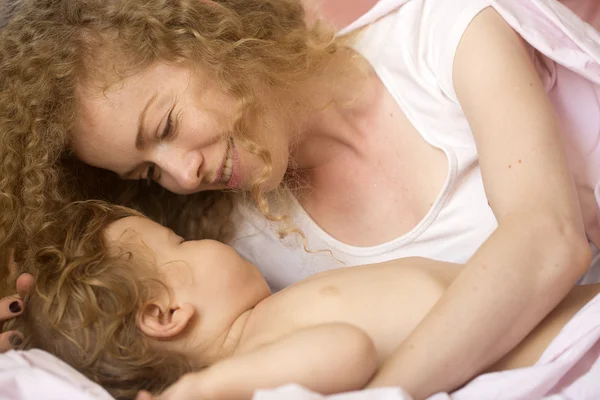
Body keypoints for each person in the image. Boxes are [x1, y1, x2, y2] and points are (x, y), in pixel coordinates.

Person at [1, 0, 599, 397]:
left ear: (202, 31)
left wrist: (391, 392)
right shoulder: (236, 248)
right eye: (146, 176)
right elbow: (137, 332)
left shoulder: (439, 35)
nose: (183, 175)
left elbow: (549, 239)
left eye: (165, 126)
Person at [8, 200, 600, 400]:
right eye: (181, 241)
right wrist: (210, 387)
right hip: (566, 350)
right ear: (166, 314)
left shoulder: (264, 331)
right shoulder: (257, 360)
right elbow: (347, 350)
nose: (204, 238)